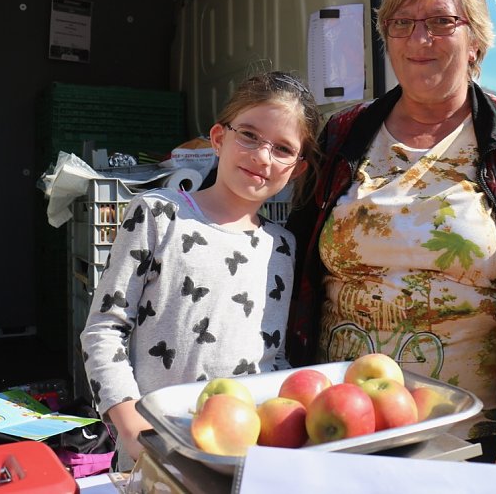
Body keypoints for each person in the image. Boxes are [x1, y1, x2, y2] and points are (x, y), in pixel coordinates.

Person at [285, 0, 496, 480]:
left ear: (477, 41)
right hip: (340, 425)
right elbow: (290, 253)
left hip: (468, 435)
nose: (419, 38)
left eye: (442, 21)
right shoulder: (342, 134)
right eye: (402, 22)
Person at [81, 71, 321, 471]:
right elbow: (104, 328)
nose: (262, 156)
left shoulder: (282, 246)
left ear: (296, 170)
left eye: (282, 148)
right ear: (218, 138)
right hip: (157, 446)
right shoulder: (158, 214)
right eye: (249, 135)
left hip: (247, 454)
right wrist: (131, 426)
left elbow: (272, 356)